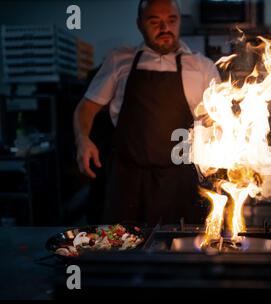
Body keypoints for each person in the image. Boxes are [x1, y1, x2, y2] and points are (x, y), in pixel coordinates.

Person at [73, 0, 220, 226]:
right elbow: (86, 107)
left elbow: (217, 121)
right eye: (155, 21)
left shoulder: (203, 67)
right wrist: (82, 139)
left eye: (171, 20)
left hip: (180, 181)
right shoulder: (119, 60)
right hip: (127, 181)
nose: (165, 28)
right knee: (121, 252)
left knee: (178, 253)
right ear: (139, 24)